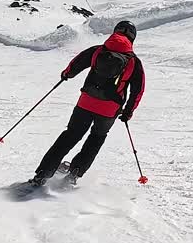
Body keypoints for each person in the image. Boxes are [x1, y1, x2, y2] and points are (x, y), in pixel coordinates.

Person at [30, 21, 145, 185]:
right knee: (96, 139)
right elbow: (138, 90)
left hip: (86, 103)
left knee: (70, 136)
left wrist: (67, 74)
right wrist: (128, 112)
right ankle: (75, 173)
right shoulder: (134, 62)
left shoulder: (98, 50)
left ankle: (43, 174)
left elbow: (77, 62)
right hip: (109, 110)